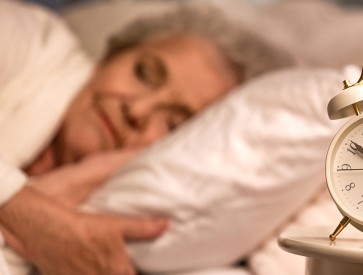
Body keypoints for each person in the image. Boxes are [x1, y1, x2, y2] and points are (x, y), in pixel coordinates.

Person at [0, 1, 294, 274]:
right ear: (108, 58)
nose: (137, 110)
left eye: (174, 124)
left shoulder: (111, 228)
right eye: (144, 73)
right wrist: (28, 214)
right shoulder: (29, 40)